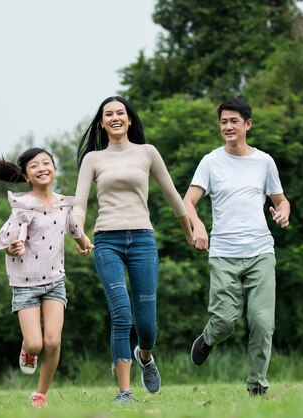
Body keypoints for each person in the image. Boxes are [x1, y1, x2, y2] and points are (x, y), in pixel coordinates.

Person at [74, 96, 194, 403]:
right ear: (102, 123)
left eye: (120, 113)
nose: (115, 117)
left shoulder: (147, 152)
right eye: (108, 114)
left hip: (142, 239)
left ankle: (145, 355)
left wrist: (189, 232)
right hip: (106, 242)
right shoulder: (93, 159)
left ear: (129, 120)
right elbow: (80, 203)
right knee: (121, 315)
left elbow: (172, 195)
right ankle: (125, 391)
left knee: (146, 325)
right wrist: (78, 232)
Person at [0, 148, 93, 407]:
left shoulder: (63, 203)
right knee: (36, 345)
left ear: (55, 170)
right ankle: (28, 349)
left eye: (47, 163)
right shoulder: (23, 206)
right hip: (25, 284)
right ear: (26, 175)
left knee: (53, 341)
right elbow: (8, 240)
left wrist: (84, 242)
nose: (42, 168)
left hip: (55, 281)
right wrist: (12, 247)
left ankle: (40, 393)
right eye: (35, 166)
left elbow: (74, 227)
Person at [183, 97, 291, 396]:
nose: (228, 127)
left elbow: (280, 200)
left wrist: (283, 212)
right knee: (226, 321)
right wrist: (199, 225)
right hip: (224, 254)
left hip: (260, 252)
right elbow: (187, 202)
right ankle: (208, 338)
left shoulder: (264, 161)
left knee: (261, 322)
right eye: (223, 122)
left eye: (233, 121)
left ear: (248, 124)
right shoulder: (211, 161)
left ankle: (257, 386)